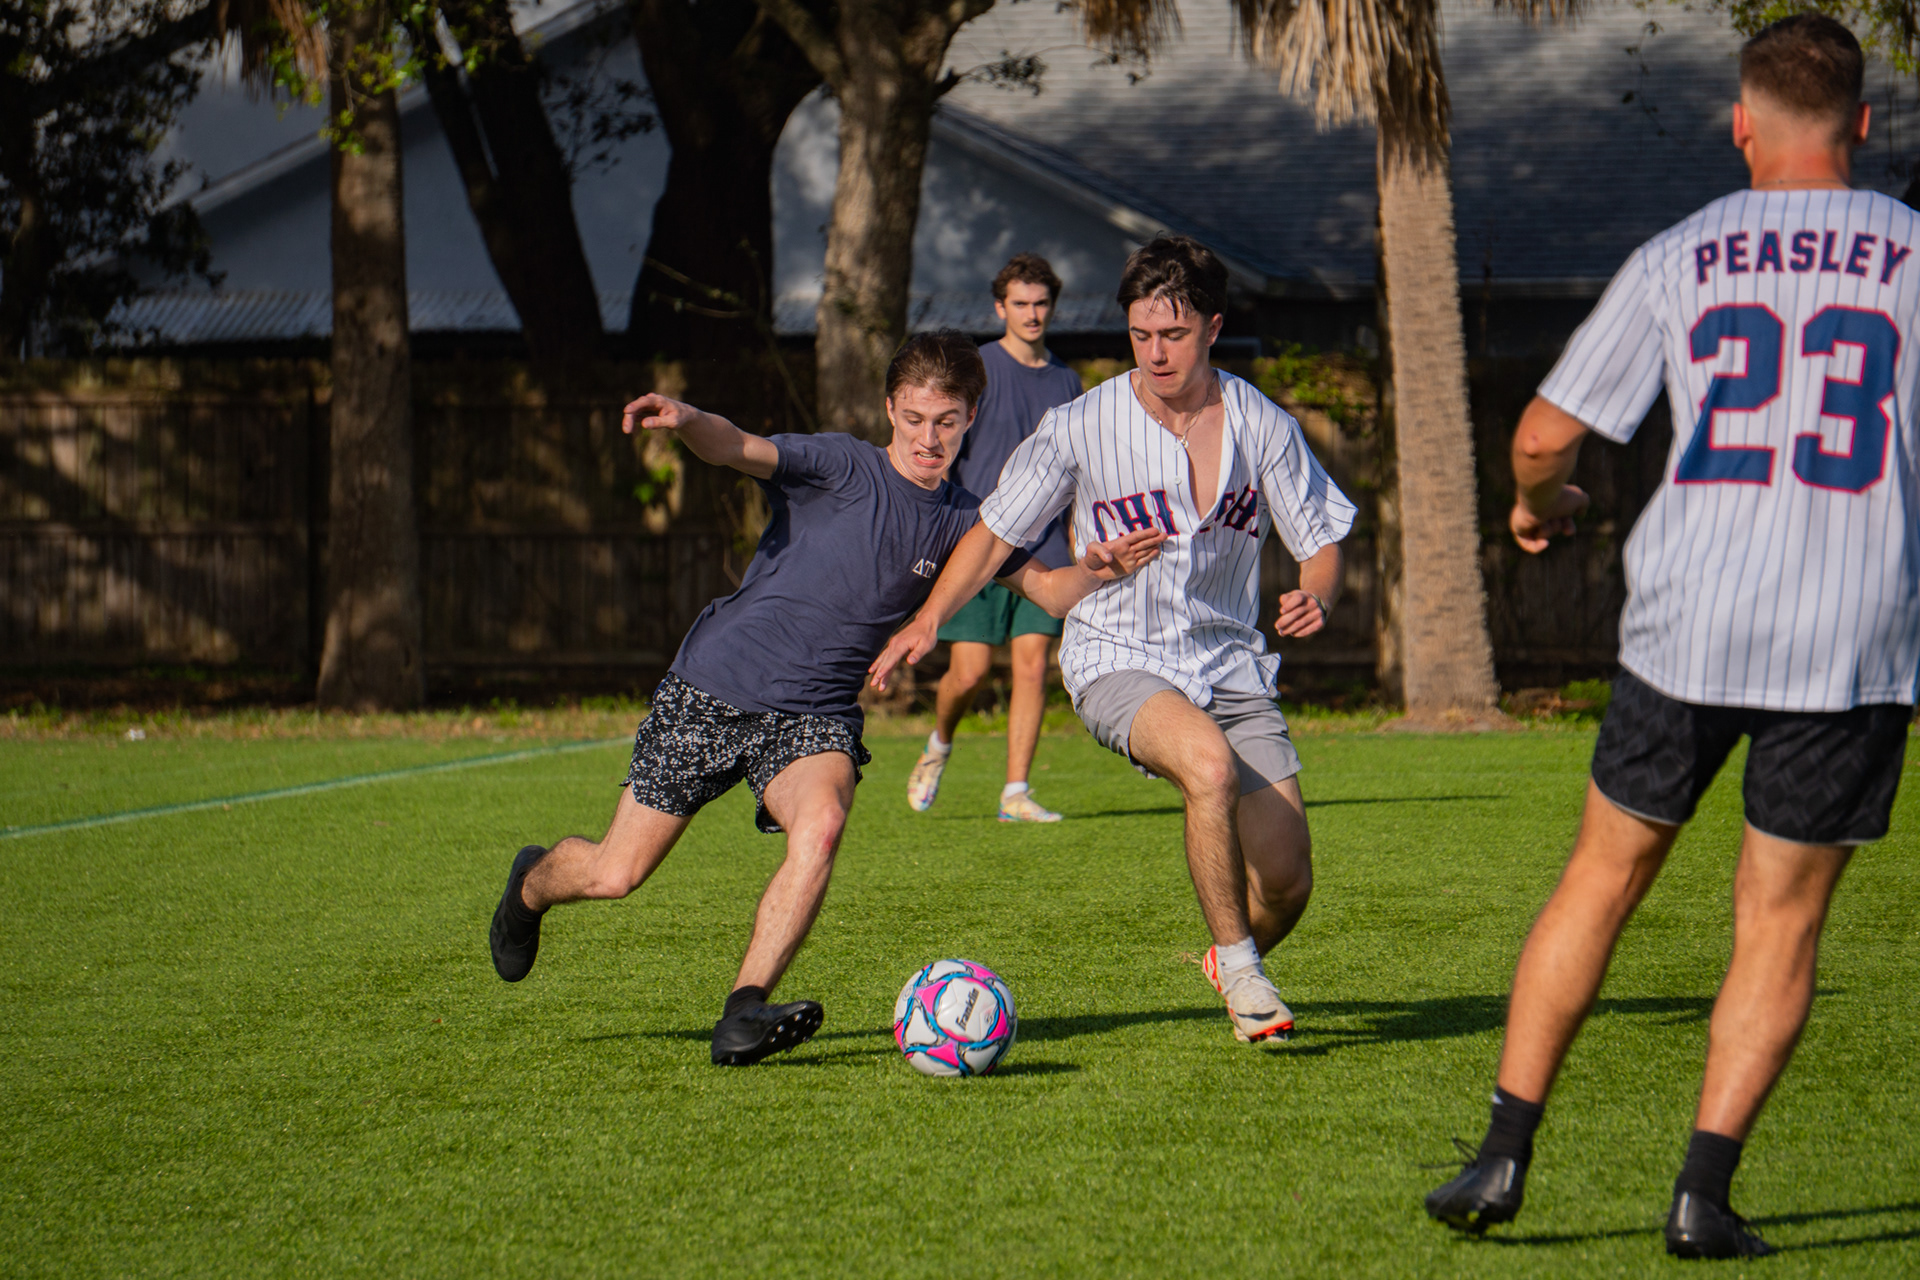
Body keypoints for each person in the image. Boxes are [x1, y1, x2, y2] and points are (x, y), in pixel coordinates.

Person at [1423, 15, 1917, 1259]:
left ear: (1741, 124)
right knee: (1780, 919)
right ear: (1863, 124)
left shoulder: (1680, 254)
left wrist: (1539, 505)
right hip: (1852, 630)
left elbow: (1543, 435)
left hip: (1690, 614)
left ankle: (1501, 1152)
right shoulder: (1915, 254)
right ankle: (1702, 1194)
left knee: (1603, 875)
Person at [486, 331, 1164, 1067]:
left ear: (971, 416)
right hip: (715, 683)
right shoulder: (841, 464)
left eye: (946, 421)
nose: (928, 438)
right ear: (890, 410)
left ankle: (743, 1012)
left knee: (823, 824)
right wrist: (687, 420)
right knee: (615, 874)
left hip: (815, 715)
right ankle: (531, 885)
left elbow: (1051, 592)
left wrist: (1100, 568)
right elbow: (736, 446)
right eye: (914, 418)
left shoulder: (971, 522)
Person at [872, 237, 1355, 1045]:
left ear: (1212, 328)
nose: (1155, 352)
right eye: (1140, 334)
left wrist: (1317, 594)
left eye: (1173, 334)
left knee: (1287, 882)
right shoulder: (1083, 423)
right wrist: (927, 618)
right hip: (1116, 656)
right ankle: (1244, 976)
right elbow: (993, 533)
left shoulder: (1261, 423)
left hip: (1229, 664)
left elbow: (1322, 537)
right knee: (1207, 766)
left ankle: (1231, 956)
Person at [908, 253, 1087, 823]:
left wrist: (1077, 537)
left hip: (1045, 547)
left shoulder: (1068, 381)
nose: (1032, 314)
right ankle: (939, 744)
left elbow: (1077, 469)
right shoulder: (977, 368)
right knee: (970, 673)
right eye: (1020, 303)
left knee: (1032, 667)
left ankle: (1016, 793)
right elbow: (943, 446)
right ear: (999, 307)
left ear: (1052, 307)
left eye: (1041, 303)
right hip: (979, 538)